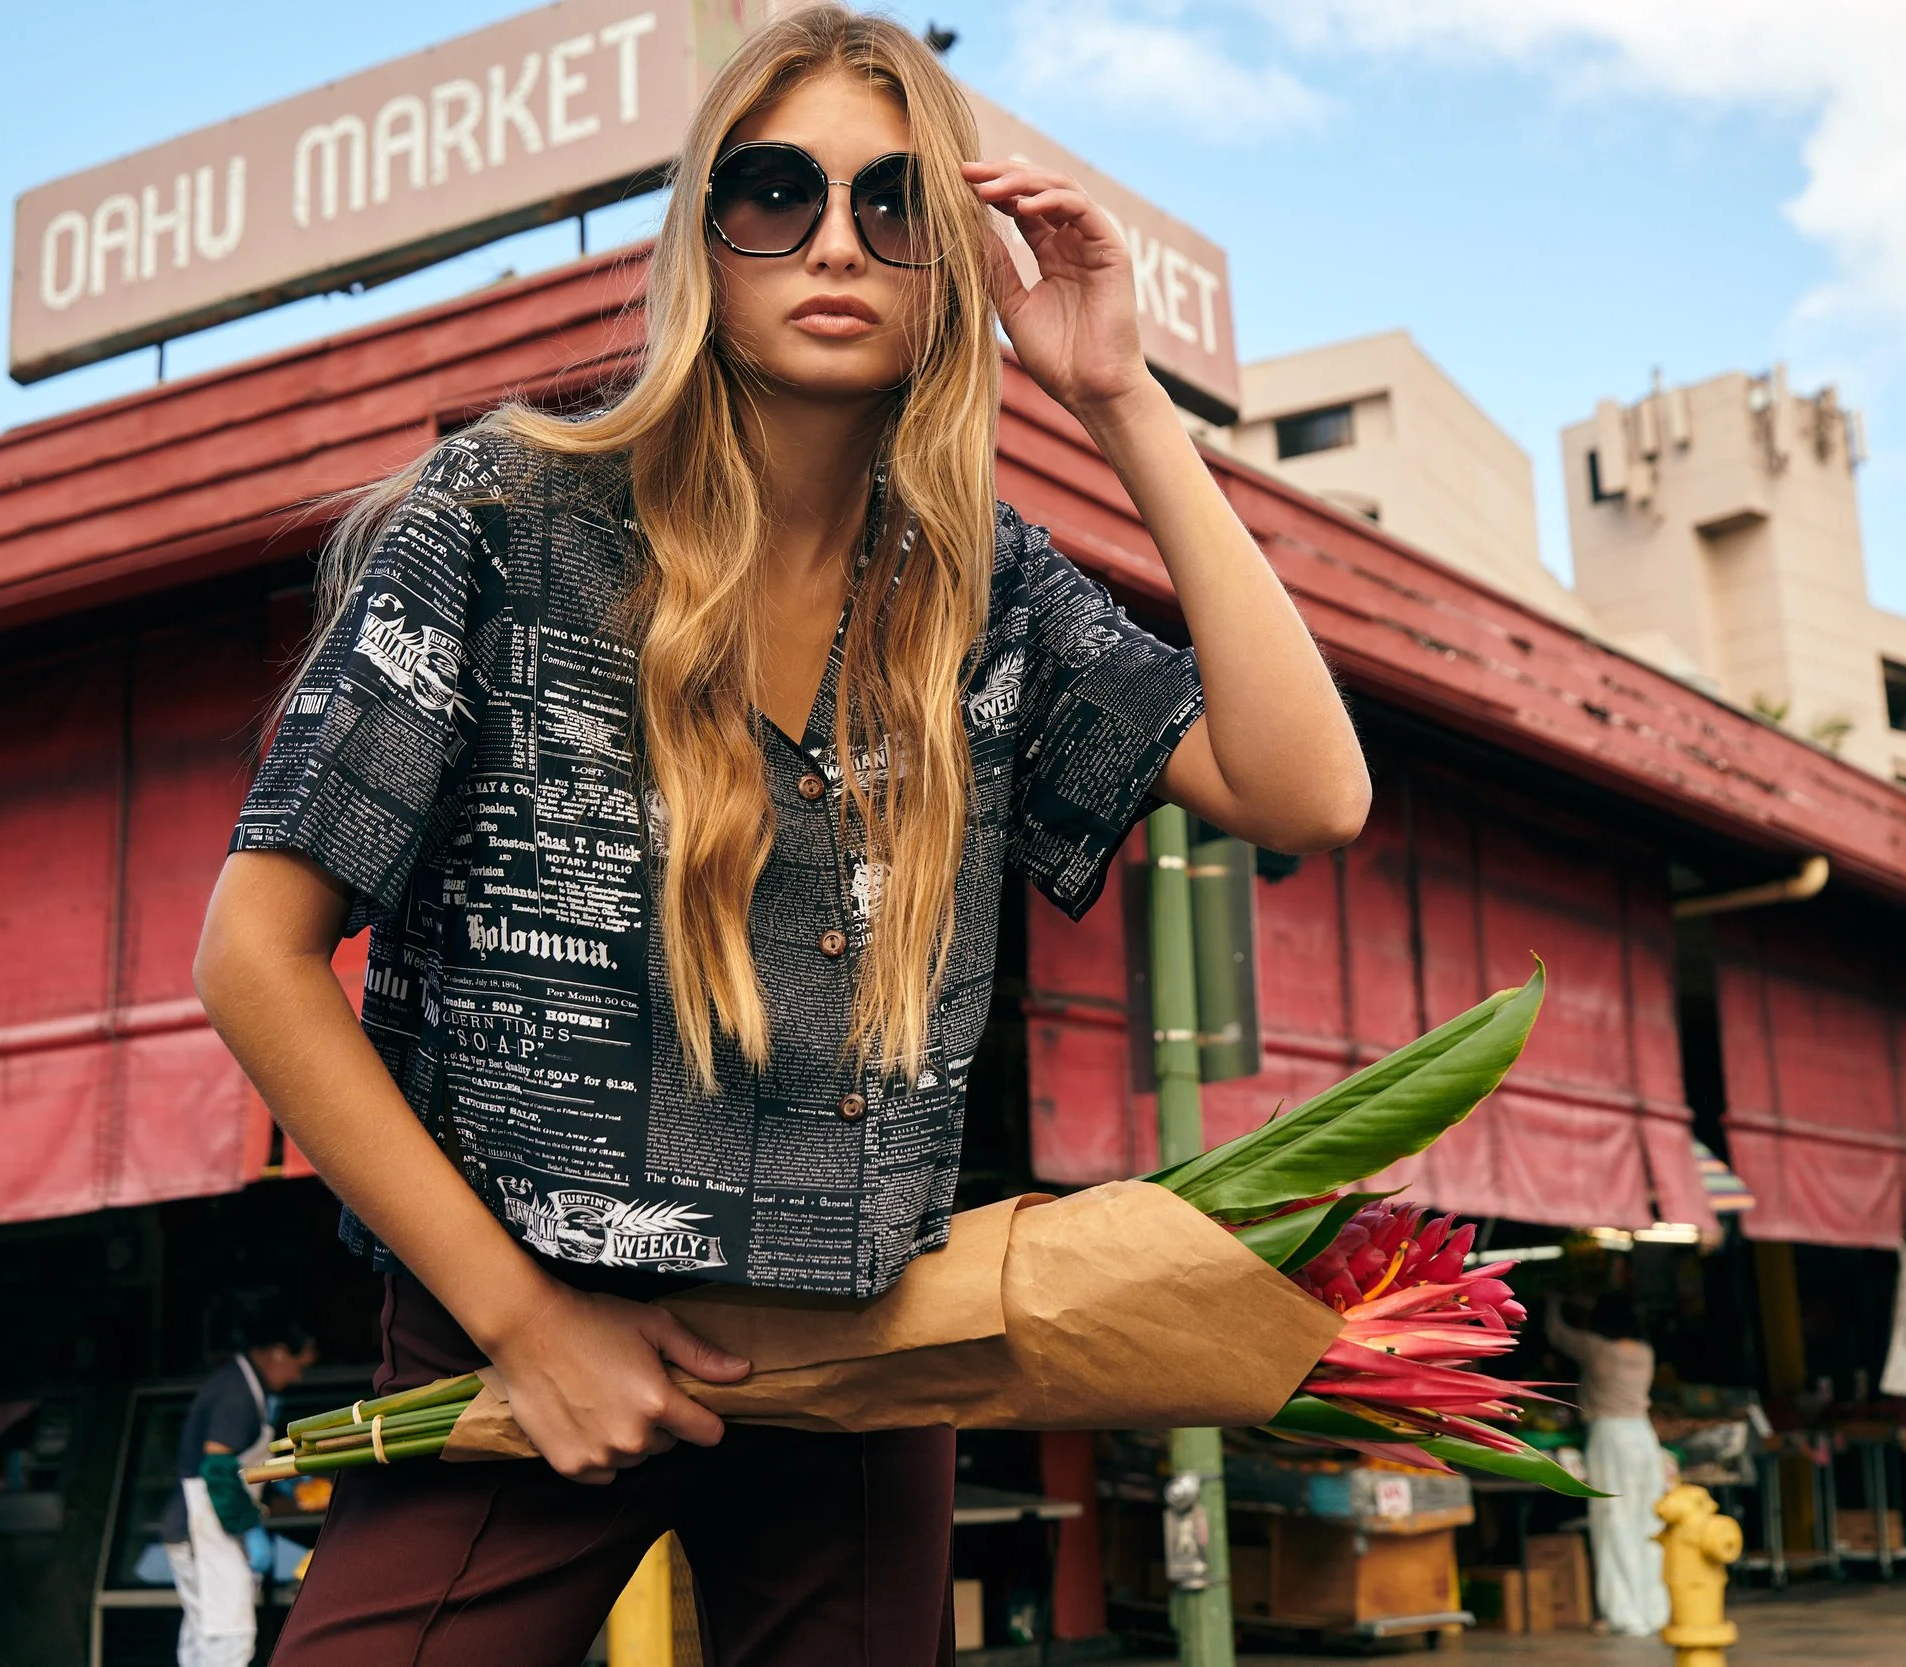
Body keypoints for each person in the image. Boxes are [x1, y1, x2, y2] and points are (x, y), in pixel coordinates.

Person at [192, 8, 1368, 1662]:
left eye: (896, 207)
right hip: (518, 1335)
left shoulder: (981, 589)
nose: (835, 243)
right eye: (775, 194)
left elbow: (1310, 789)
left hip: (868, 1358)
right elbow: (253, 955)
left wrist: (1118, 397)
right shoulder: (505, 514)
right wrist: (524, 1323)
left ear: (948, 270)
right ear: (706, 243)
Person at [162, 1303, 318, 1667]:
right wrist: (250, 1530)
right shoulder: (236, 1393)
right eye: (300, 1365)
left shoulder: (246, 1386)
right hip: (203, 1532)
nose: (298, 1377)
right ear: (279, 1352)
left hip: (210, 1531)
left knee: (205, 1642)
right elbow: (217, 1469)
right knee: (228, 1641)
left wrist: (286, 1484)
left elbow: (241, 1462)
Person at [1547, 1293, 1670, 1637]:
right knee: (1648, 1522)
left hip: (1611, 1436)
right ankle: (1655, 1610)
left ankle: (1624, 1614)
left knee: (1613, 1521)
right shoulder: (1646, 1352)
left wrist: (1553, 1302)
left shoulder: (1598, 1348)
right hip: (1644, 1437)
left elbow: (1556, 1334)